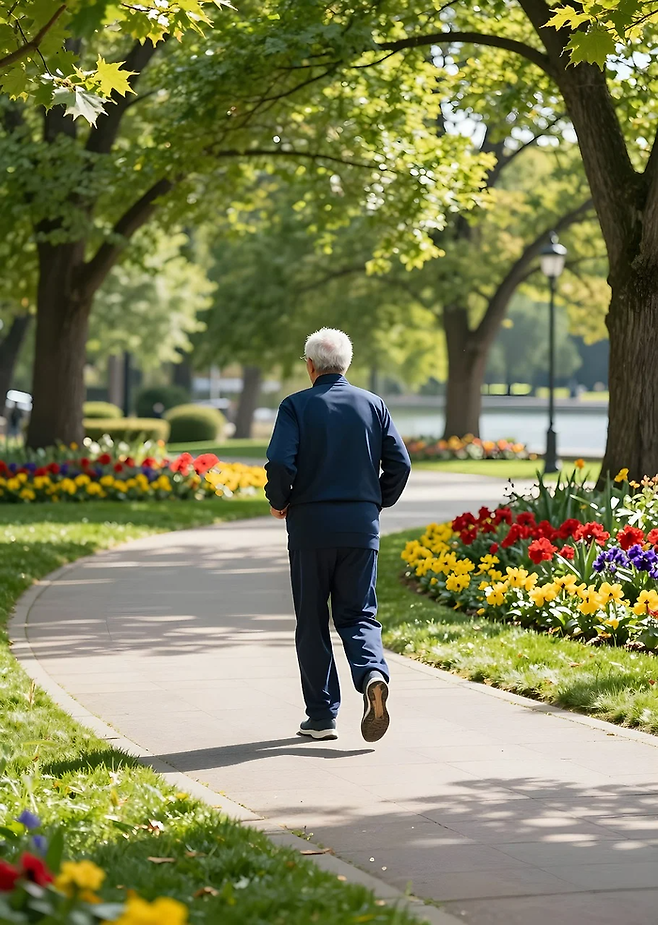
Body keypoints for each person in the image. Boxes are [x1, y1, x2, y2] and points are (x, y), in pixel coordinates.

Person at [265, 328, 411, 742]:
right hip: (360, 531)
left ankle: (322, 716)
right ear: (345, 364)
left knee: (312, 620)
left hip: (310, 529)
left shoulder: (295, 406)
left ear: (310, 366)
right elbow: (400, 465)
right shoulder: (373, 405)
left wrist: (280, 500)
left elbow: (279, 462)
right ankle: (371, 676)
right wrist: (373, 502)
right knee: (358, 614)